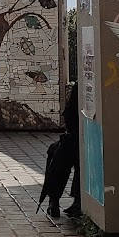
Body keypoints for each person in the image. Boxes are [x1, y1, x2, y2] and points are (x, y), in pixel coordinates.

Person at [38, 81, 81, 219]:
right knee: (58, 151)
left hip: (79, 139)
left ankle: (54, 199)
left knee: (59, 154)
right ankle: (72, 200)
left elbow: (69, 114)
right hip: (79, 137)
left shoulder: (81, 85)